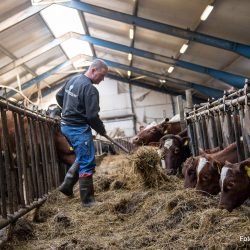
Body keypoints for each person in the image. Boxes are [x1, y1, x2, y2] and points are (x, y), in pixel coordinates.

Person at [56, 59, 108, 207]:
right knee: (87, 161)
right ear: (93, 71)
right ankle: (87, 201)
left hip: (66, 125)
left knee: (83, 154)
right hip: (77, 128)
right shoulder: (90, 89)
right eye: (102, 75)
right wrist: (101, 130)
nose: (102, 79)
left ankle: (66, 186)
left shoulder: (72, 79)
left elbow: (58, 96)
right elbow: (92, 116)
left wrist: (68, 110)